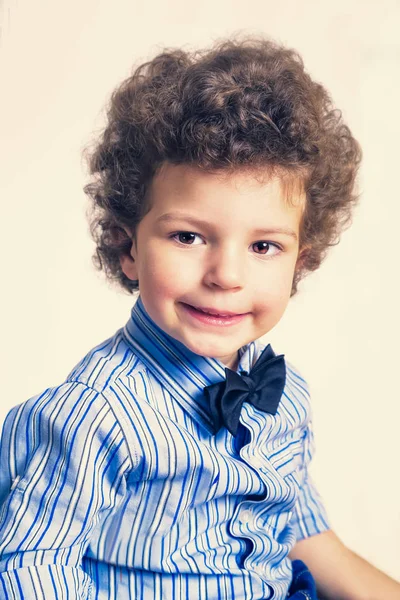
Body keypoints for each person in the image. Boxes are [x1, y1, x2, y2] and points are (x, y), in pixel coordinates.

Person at [0, 35, 398, 600]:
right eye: (188, 236)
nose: (226, 275)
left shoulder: (282, 397)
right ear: (127, 246)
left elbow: (305, 538)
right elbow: (31, 571)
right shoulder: (93, 417)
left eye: (264, 247)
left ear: (300, 261)